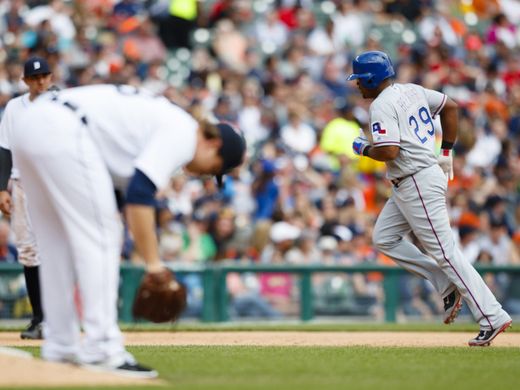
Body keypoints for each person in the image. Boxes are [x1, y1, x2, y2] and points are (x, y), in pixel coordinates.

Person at [9, 84, 246, 377]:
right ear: (214, 145)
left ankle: (60, 344)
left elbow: (119, 194)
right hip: (66, 131)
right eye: (216, 168)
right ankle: (103, 348)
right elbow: (139, 196)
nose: (210, 174)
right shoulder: (184, 132)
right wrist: (154, 264)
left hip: (31, 126)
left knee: (56, 245)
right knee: (104, 235)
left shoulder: (165, 122)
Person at [347, 51, 512, 347]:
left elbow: (389, 152)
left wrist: (362, 149)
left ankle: (492, 315)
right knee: (384, 238)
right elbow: (451, 106)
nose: (357, 84)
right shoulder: (412, 90)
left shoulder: (381, 106)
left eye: (360, 79)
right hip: (411, 180)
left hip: (416, 180)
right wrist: (446, 150)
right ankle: (444, 283)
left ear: (371, 78)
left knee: (446, 252)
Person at [0, 57, 54, 340]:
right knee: (29, 251)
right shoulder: (14, 107)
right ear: (25, 81)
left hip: (57, 182)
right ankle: (39, 319)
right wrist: (1, 189)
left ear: (51, 77)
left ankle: (60, 319)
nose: (40, 81)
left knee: (59, 247)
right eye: (35, 78)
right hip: (23, 182)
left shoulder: (62, 104)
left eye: (44, 76)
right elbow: (4, 149)